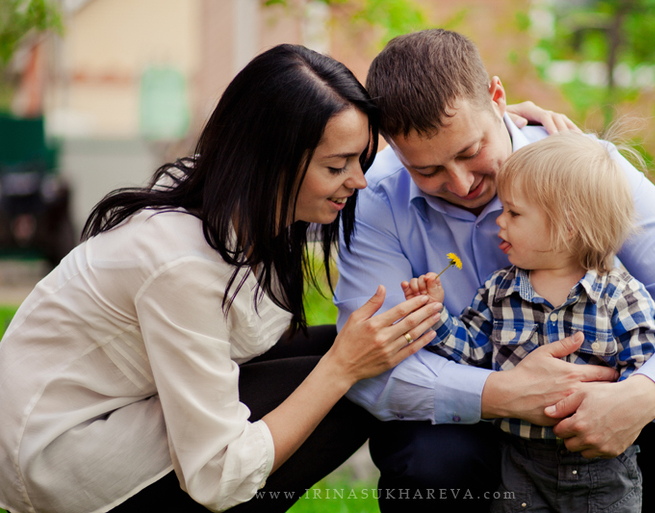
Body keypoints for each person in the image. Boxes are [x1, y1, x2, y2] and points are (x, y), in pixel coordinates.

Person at [0, 44, 446, 513]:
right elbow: (216, 476)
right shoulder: (180, 263)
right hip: (61, 454)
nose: (357, 181)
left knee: (355, 351)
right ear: (271, 161)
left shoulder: (241, 203)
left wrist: (494, 127)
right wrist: (342, 369)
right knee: (349, 385)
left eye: (361, 161)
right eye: (336, 166)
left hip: (120, 407)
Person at [334, 29, 655, 512]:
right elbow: (366, 366)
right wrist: (502, 393)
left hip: (599, 411)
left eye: (470, 151)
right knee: (427, 461)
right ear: (395, 148)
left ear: (497, 97)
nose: (461, 182)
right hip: (468, 419)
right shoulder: (376, 200)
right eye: (427, 171)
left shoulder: (579, 168)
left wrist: (643, 394)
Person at [403, 131, 655, 512]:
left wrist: (615, 406)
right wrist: (436, 316)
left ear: (567, 225)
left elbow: (642, 367)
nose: (498, 223)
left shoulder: (620, 296)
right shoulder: (499, 290)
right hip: (521, 463)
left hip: (602, 468)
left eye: (513, 213)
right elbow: (474, 348)